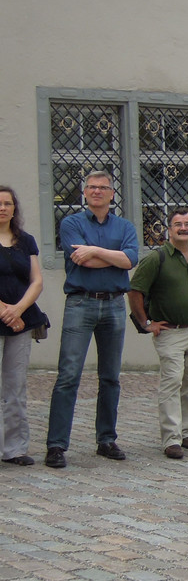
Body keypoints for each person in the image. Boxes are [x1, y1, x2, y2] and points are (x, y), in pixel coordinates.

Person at [45, 171, 139, 469]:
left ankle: (106, 439)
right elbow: (79, 259)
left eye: (103, 187)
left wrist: (97, 251)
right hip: (81, 303)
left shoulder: (124, 226)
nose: (97, 192)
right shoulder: (71, 223)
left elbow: (130, 260)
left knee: (110, 376)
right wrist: (114, 257)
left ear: (112, 194)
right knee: (68, 376)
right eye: (91, 187)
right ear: (84, 193)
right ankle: (57, 445)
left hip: (113, 305)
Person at [129, 207, 188, 459]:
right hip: (170, 333)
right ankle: (171, 439)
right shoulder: (157, 258)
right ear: (169, 229)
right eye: (178, 224)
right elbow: (135, 291)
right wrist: (146, 323)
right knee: (172, 383)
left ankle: (185, 432)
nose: (183, 228)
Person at [0, 186, 46, 466]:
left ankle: (15, 448)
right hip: (8, 316)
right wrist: (5, 310)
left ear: (14, 209)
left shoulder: (25, 241)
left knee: (16, 386)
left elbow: (37, 280)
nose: (2, 208)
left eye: (7, 203)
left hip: (21, 321)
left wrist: (18, 309)